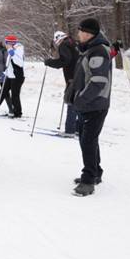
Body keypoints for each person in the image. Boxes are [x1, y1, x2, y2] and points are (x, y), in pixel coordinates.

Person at [66, 18, 112, 197]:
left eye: (81, 31)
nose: (78, 34)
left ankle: (88, 180)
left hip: (95, 104)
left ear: (89, 33)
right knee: (89, 139)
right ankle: (96, 172)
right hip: (88, 104)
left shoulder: (98, 51)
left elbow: (98, 81)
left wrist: (82, 99)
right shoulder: (90, 49)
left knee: (87, 140)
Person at [44, 31, 80, 137]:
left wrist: (50, 62)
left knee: (71, 101)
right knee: (78, 102)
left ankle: (70, 130)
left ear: (58, 39)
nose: (57, 44)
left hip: (72, 78)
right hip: (80, 76)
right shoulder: (74, 43)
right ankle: (77, 128)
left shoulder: (64, 45)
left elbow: (65, 61)